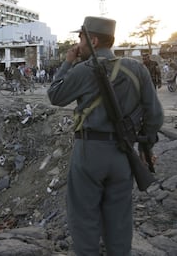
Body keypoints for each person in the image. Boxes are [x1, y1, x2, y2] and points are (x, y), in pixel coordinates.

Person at [47, 16, 164, 256]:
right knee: (119, 220)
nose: (78, 44)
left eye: (80, 38)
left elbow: (55, 95)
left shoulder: (83, 69)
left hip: (89, 152)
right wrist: (145, 149)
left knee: (84, 218)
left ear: (94, 39)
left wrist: (68, 62)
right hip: (122, 153)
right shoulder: (137, 69)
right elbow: (155, 115)